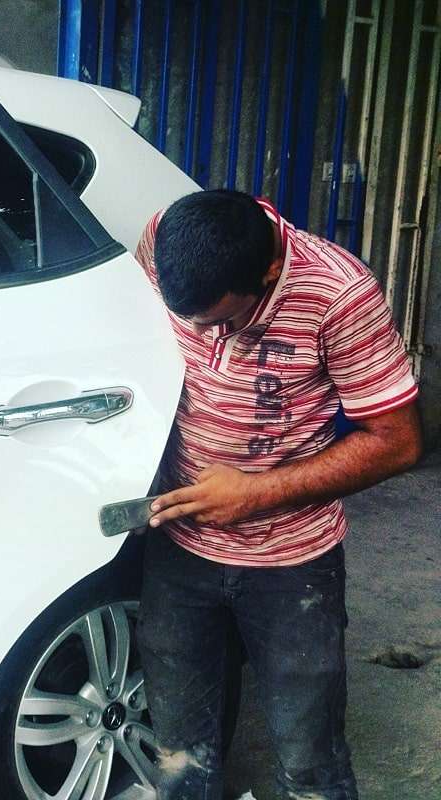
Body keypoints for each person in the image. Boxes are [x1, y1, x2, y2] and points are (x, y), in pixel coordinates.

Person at [133, 190, 423, 800]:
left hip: (291, 564)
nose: (205, 336)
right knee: (179, 755)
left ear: (268, 273)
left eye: (220, 322)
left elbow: (397, 442)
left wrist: (256, 494)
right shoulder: (165, 236)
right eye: (190, 321)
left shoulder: (340, 293)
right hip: (179, 550)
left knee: (309, 758)